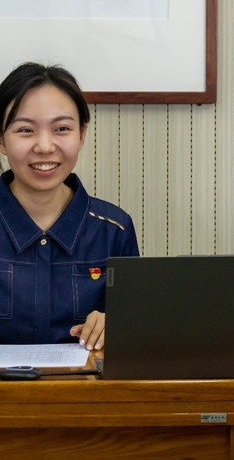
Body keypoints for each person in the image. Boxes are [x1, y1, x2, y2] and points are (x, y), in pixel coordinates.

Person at [0, 62, 139, 349]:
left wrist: (118, 326)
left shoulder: (114, 230)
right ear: (1, 140)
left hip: (87, 380)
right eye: (25, 130)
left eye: (61, 128)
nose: (44, 146)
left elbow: (136, 335)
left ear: (82, 134)